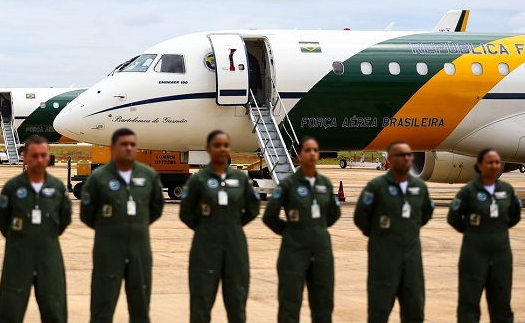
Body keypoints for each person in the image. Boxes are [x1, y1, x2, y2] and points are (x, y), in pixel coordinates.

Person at [80, 128, 164, 322]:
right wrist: (111, 227)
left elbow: (156, 208)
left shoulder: (149, 176)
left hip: (140, 249)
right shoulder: (98, 178)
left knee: (140, 303)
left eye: (132, 144)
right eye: (123, 144)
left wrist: (136, 225)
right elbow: (87, 214)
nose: (129, 148)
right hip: (108, 249)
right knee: (103, 303)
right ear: (112, 148)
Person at [180, 130, 260, 323]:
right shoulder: (198, 180)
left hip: (235, 245)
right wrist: (207, 227)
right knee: (201, 302)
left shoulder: (241, 179)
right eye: (217, 145)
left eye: (225, 145)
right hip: (205, 245)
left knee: (237, 301)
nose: (222, 149)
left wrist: (232, 224)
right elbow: (186, 213)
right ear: (209, 149)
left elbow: (253, 208)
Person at [353, 141, 434, 323]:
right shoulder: (376, 187)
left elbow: (425, 214)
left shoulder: (419, 188)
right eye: (401, 155)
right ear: (390, 159)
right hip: (383, 258)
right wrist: (381, 236)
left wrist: (406, 230)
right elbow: (361, 218)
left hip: (411, 259)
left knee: (414, 310)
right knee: (379, 311)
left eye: (409, 155)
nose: (406, 159)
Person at [263, 136, 341, 323]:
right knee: (290, 302)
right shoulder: (288, 184)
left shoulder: (325, 184)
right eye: (307, 150)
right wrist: (290, 231)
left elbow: (334, 212)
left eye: (315, 150)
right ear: (299, 155)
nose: (312, 154)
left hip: (322, 250)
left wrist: (317, 228)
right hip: (294, 250)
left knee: (323, 302)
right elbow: (269, 216)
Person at [0, 135, 72, 322]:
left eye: (43, 155)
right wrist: (22, 237)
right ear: (25, 157)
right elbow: (2, 220)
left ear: (48, 157)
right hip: (18, 256)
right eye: (34, 155)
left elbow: (64, 218)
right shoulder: (12, 188)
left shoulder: (57, 188)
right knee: (10, 310)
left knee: (54, 308)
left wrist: (45, 235)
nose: (39, 160)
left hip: (49, 255)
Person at [447, 148, 522, 323]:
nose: (494, 166)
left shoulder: (507, 191)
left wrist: (497, 229)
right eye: (490, 162)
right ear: (479, 166)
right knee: (469, 304)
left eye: (497, 162)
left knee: (502, 304)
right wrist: (474, 232)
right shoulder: (469, 191)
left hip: (501, 255)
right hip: (474, 254)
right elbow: (454, 217)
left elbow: (514, 216)